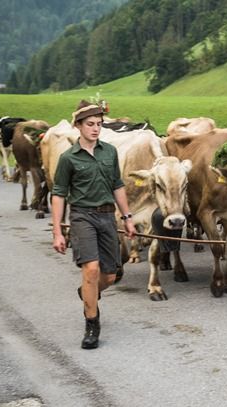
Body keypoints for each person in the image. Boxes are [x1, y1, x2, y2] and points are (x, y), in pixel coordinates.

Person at [51, 100, 136, 349]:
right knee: (91, 269)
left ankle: (88, 293)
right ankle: (92, 324)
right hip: (82, 217)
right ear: (78, 125)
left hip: (107, 216)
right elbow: (58, 194)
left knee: (110, 275)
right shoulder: (68, 158)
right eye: (90, 124)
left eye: (99, 124)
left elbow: (117, 185)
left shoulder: (109, 152)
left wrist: (128, 217)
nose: (96, 128)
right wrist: (58, 231)